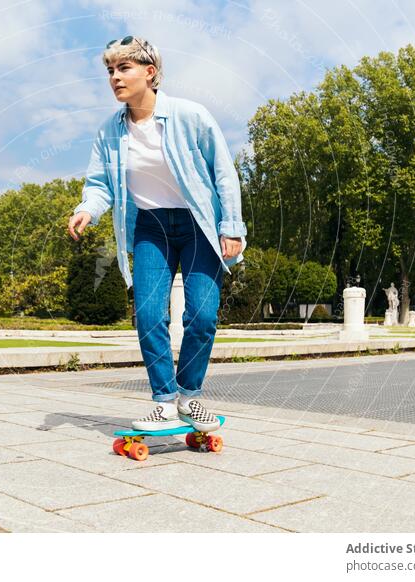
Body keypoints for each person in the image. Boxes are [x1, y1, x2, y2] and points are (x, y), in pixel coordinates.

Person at [67, 36, 247, 433]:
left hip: (199, 225)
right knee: (149, 315)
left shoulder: (189, 115)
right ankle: (164, 401)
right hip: (151, 226)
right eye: (110, 71)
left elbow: (224, 171)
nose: (115, 77)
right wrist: (86, 209)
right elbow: (100, 184)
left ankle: (190, 396)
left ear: (150, 73)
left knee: (201, 316)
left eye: (123, 68)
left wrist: (231, 226)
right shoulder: (109, 132)